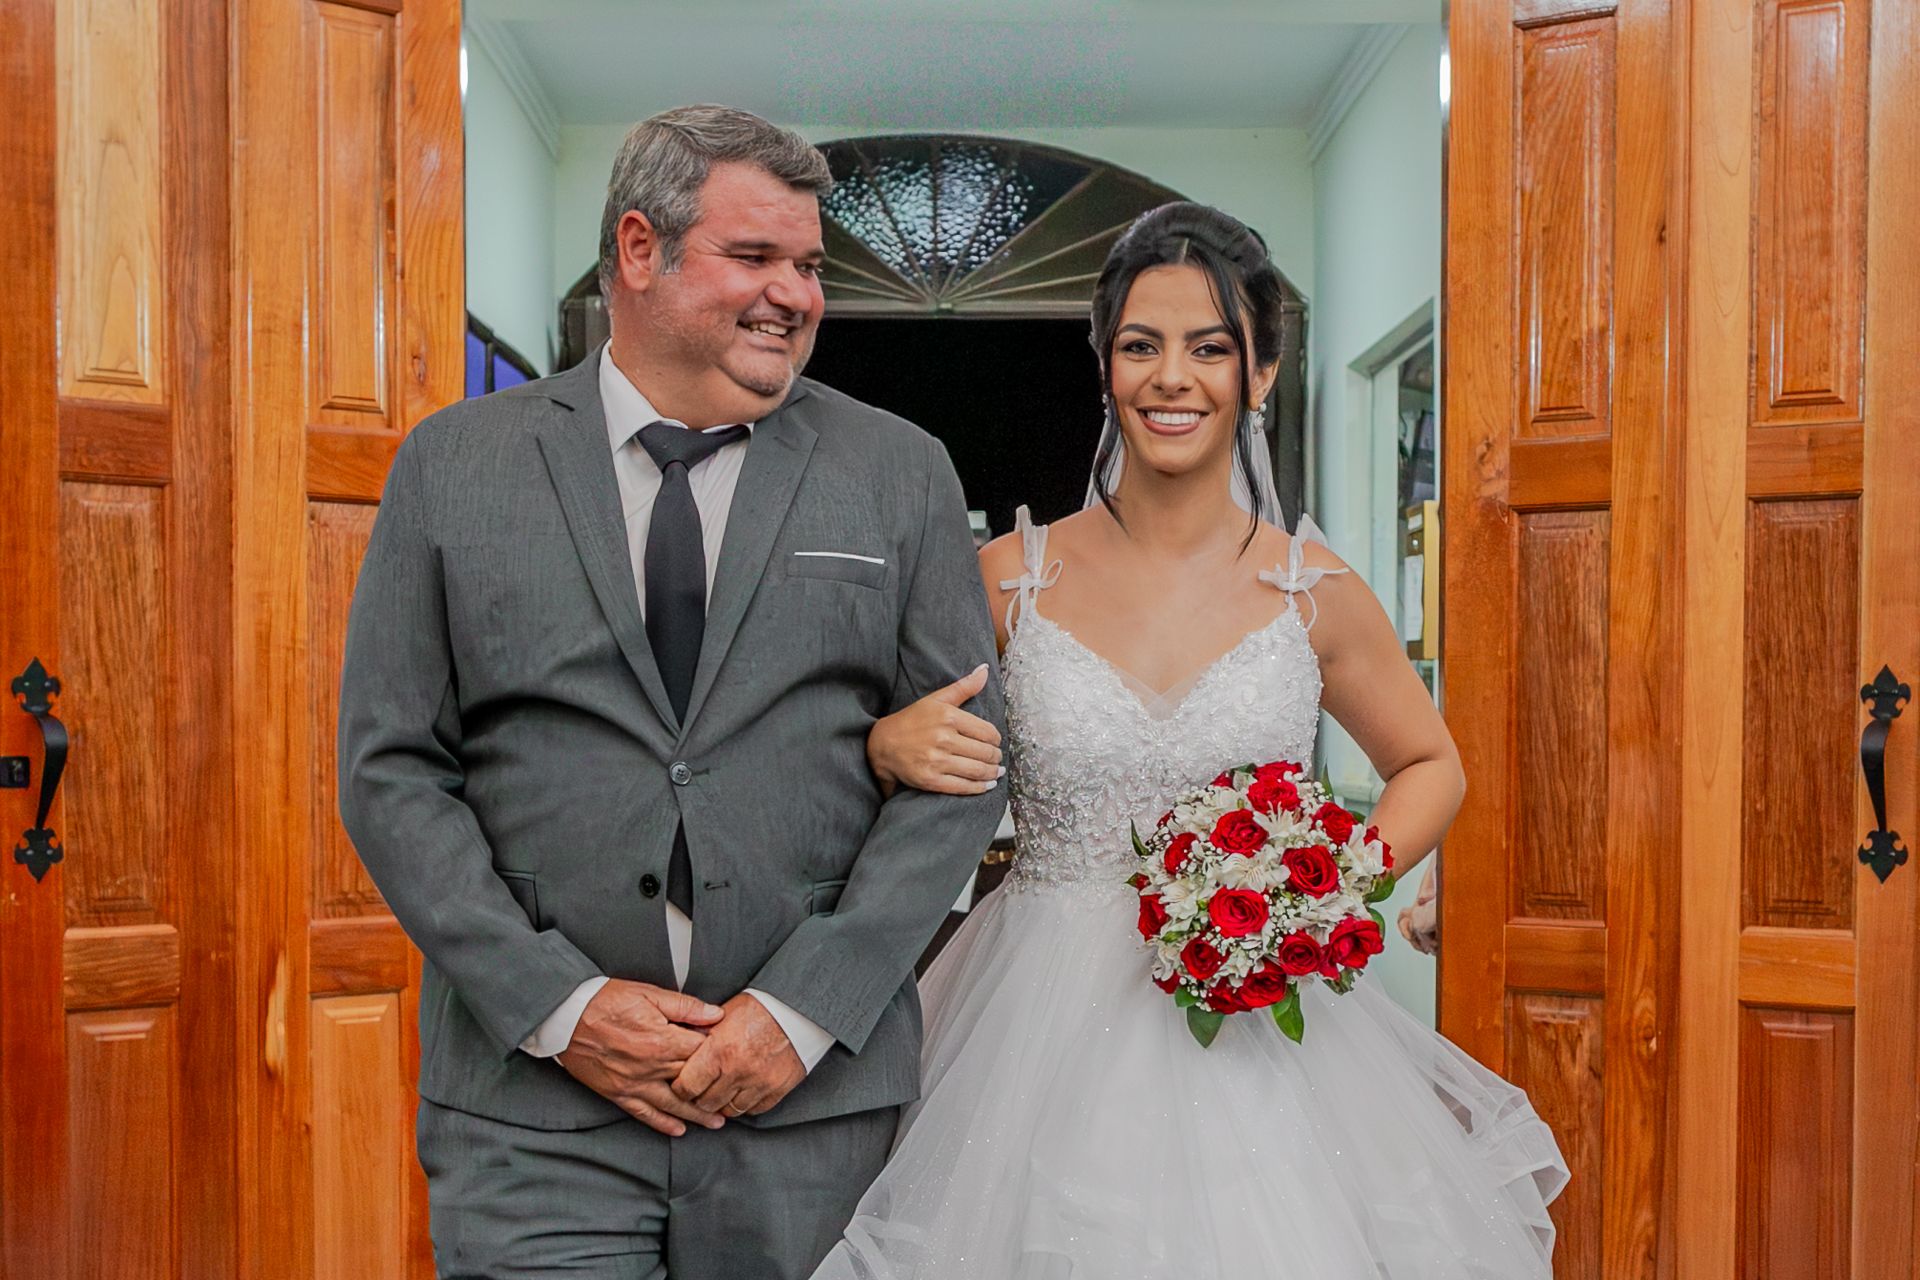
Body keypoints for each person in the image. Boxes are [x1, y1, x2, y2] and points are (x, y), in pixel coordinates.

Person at [814, 204, 1567, 1278]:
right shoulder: (1007, 578)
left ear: (1259, 374)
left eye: (1211, 348)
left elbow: (1430, 763)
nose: (1173, 377)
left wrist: (1325, 892)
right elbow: (890, 734)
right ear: (1106, 367)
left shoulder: (1317, 592)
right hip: (1032, 1029)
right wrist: (891, 740)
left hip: (1259, 1033)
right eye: (1141, 345)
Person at [337, 105, 1006, 1279]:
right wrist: (560, 1005)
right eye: (755, 258)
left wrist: (800, 1011)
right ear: (639, 251)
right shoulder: (453, 466)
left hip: (814, 1111)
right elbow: (392, 767)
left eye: (808, 266)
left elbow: (962, 768)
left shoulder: (900, 470)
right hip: (530, 1111)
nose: (794, 295)